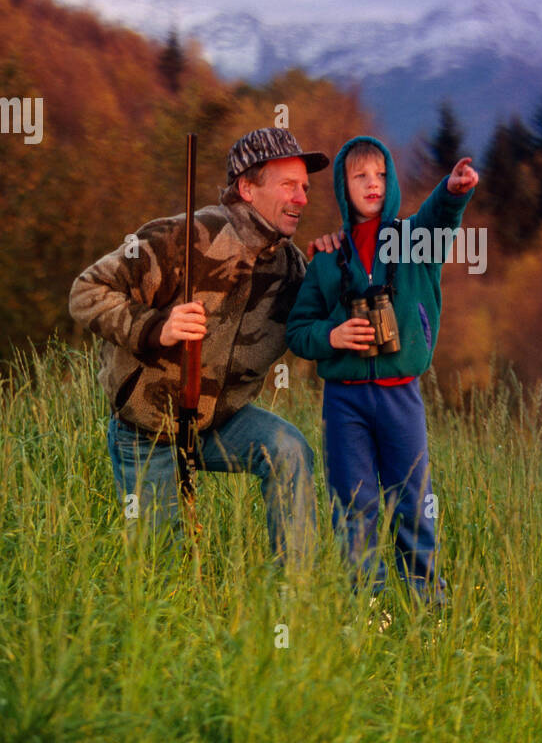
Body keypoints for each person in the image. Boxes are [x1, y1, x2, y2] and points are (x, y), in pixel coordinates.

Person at [68, 126, 329, 564]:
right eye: (288, 185)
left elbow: (316, 331)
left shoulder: (291, 268)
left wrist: (336, 267)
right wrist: (156, 326)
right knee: (162, 571)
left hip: (218, 423)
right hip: (149, 429)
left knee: (288, 450)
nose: (302, 197)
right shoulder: (182, 237)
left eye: (304, 187)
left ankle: (296, 601)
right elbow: (86, 291)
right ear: (246, 187)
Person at [286, 134, 479, 612]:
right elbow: (298, 330)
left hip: (401, 397)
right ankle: (366, 610)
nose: (372, 184)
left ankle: (427, 606)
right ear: (342, 186)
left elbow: (441, 217)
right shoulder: (328, 257)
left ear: (391, 182)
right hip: (344, 400)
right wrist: (332, 336)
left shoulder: (414, 242)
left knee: (413, 503)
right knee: (354, 506)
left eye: (381, 175)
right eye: (360, 176)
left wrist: (454, 191)